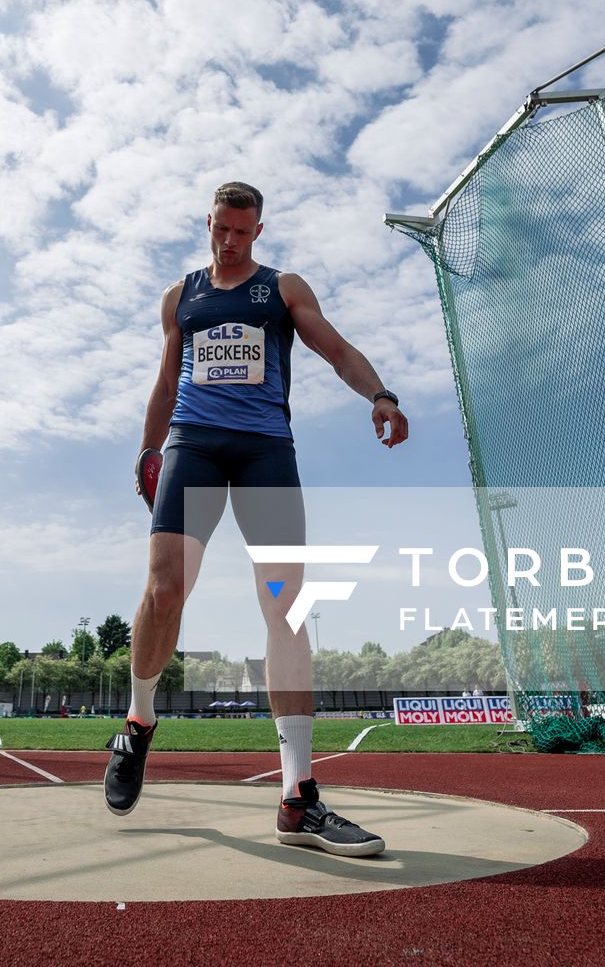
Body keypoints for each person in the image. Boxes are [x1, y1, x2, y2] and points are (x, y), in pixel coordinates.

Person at [104, 181, 408, 857]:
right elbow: (164, 381)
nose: (230, 241)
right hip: (194, 446)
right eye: (221, 229)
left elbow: (338, 351)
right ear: (207, 223)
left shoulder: (282, 289)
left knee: (286, 603)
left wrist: (380, 393)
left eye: (243, 231)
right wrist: (150, 448)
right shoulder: (180, 298)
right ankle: (139, 719)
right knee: (165, 591)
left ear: (258, 231)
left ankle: (298, 796)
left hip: (265, 452)